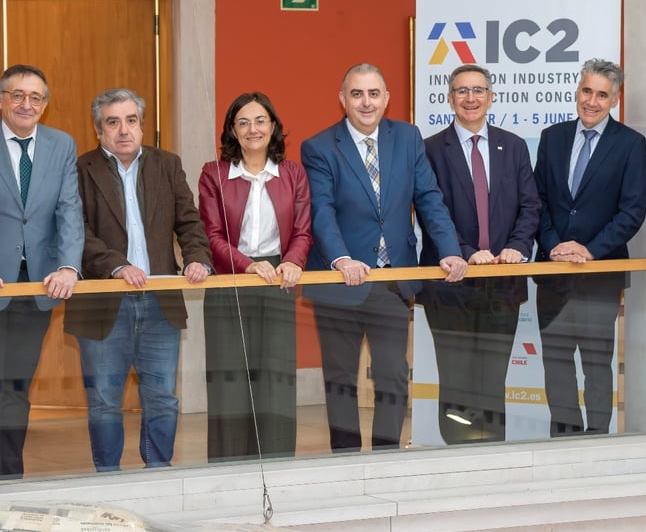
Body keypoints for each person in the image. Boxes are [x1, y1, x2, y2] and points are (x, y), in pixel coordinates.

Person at [301, 62, 468, 453]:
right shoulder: (319, 147)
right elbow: (321, 211)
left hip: (391, 280)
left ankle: (386, 459)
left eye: (374, 94)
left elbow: (429, 198)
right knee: (340, 379)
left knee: (393, 374)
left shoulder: (408, 138)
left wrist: (449, 250)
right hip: (338, 281)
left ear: (386, 98)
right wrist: (341, 259)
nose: (366, 102)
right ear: (342, 99)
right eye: (357, 94)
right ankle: (346, 461)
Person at [63, 88, 211, 471]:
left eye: (131, 120)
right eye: (112, 122)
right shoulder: (79, 169)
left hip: (160, 303)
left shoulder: (167, 165)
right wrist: (117, 265)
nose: (123, 130)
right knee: (104, 400)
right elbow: (75, 232)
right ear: (99, 130)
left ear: (142, 126)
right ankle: (109, 476)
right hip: (103, 303)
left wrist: (197, 258)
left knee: (162, 397)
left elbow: (189, 222)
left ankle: (158, 473)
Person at [420, 64, 540, 444]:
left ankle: (491, 455)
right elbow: (431, 212)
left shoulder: (514, 146)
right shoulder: (430, 150)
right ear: (449, 98)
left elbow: (530, 206)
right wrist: (468, 253)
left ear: (491, 97)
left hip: (502, 284)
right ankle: (458, 454)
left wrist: (517, 247)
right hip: (450, 285)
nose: (470, 98)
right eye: (462, 91)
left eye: (478, 90)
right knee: (456, 379)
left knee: (493, 380)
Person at [533, 58, 646, 437]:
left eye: (602, 95)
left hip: (599, 274)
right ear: (577, 92)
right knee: (556, 365)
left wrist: (589, 251)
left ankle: (598, 439)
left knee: (598, 365)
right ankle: (564, 438)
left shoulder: (630, 144)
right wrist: (554, 247)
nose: (592, 101)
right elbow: (537, 202)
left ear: (615, 100)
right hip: (553, 273)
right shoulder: (552, 137)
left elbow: (632, 211)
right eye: (587, 91)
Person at [198, 91, 313, 462]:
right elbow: (211, 234)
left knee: (276, 382)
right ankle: (229, 470)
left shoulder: (292, 173)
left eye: (260, 120)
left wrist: (292, 261)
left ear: (273, 126)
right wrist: (247, 264)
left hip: (279, 281)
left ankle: (276, 468)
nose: (253, 129)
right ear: (232, 130)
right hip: (230, 280)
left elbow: (303, 230)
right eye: (243, 122)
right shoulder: (214, 174)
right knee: (229, 384)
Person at [0, 64, 84, 481]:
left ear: (45, 103)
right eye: (18, 95)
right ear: (0, 99)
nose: (27, 104)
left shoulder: (61, 145)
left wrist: (68, 266)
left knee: (16, 386)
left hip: (37, 286)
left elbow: (69, 209)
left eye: (36, 97)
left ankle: (9, 476)